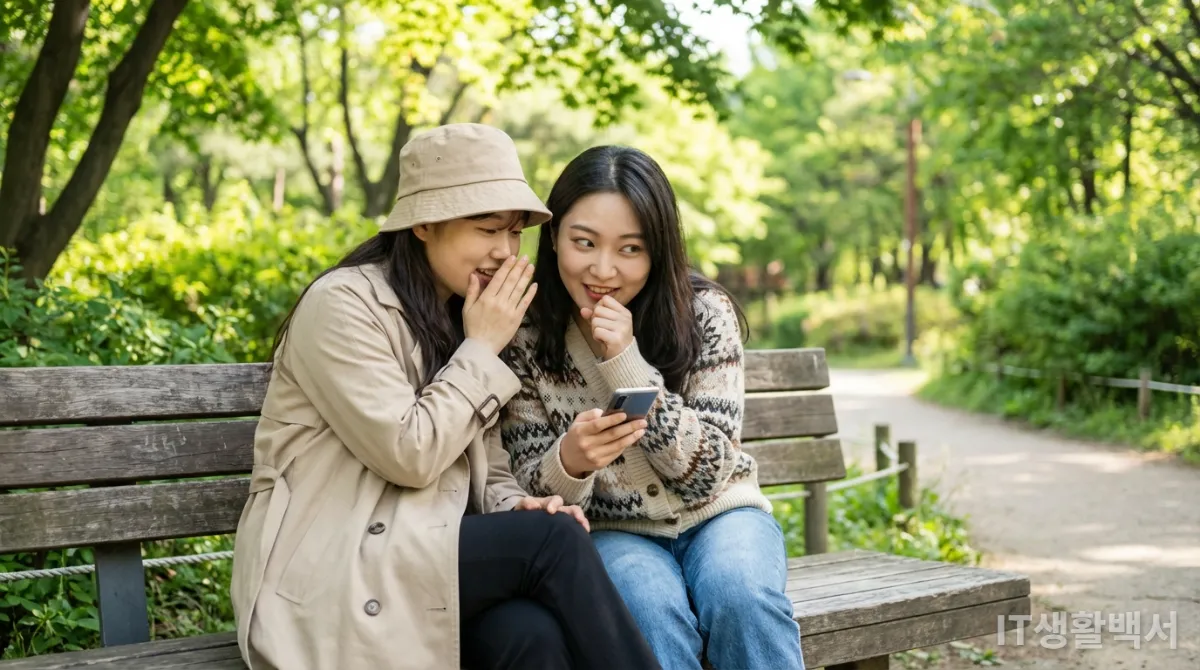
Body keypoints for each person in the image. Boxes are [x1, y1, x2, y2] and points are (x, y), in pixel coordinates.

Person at [230, 124, 661, 670]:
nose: (505, 252)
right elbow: (408, 455)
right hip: (335, 565)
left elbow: (491, 470)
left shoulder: (465, 313)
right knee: (552, 542)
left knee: (529, 635)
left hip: (424, 552)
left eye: (513, 233)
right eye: (486, 230)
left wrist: (516, 506)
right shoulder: (342, 305)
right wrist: (482, 346)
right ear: (425, 224)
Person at [500, 145, 807, 670]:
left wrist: (625, 362)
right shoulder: (525, 335)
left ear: (657, 250)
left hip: (722, 518)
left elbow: (710, 472)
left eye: (630, 249)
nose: (603, 269)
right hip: (614, 534)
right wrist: (570, 461)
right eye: (584, 242)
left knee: (742, 600)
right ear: (553, 239)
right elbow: (532, 498)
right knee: (649, 612)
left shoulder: (705, 313)